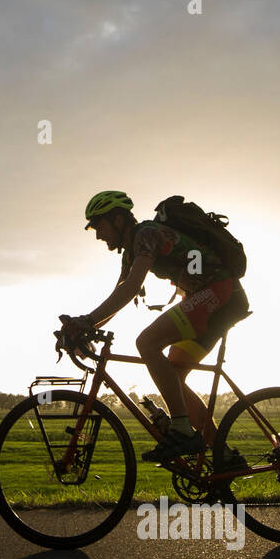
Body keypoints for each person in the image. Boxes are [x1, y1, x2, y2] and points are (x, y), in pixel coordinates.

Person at [64, 190, 250, 463]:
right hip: (218, 298)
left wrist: (87, 321)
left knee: (147, 342)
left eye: (99, 225)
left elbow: (130, 288)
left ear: (118, 220)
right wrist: (86, 326)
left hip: (219, 292)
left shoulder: (146, 234)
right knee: (173, 374)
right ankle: (223, 456)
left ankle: (183, 431)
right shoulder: (130, 253)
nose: (97, 234)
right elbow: (120, 295)